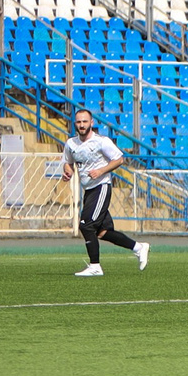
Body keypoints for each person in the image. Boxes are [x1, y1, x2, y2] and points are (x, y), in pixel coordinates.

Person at [62, 109, 148, 277]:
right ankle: (139, 247)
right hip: (88, 190)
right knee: (101, 232)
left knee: (86, 225)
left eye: (85, 122)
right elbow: (68, 162)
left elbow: (119, 159)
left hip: (101, 187)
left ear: (91, 123)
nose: (81, 125)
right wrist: (68, 171)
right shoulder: (71, 144)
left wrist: (101, 171)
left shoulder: (101, 142)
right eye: (79, 122)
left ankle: (95, 266)